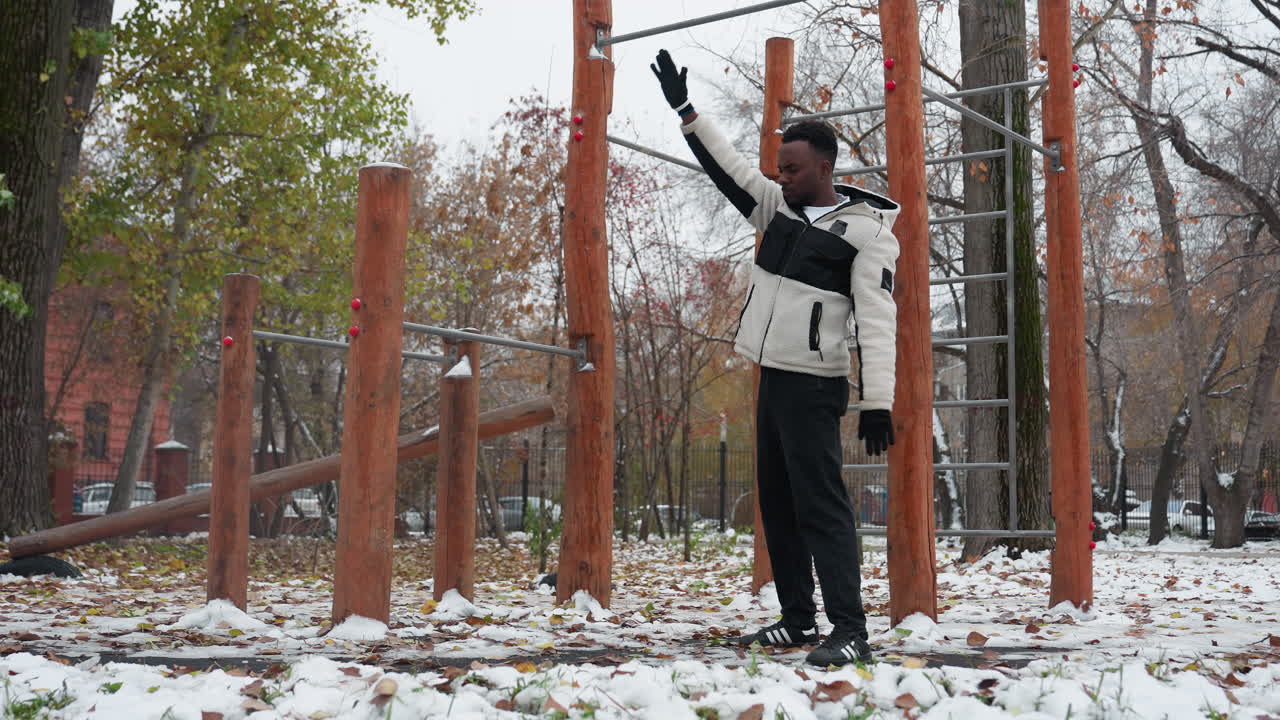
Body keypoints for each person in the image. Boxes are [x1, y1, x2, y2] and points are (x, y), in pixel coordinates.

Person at [652, 50, 899, 666]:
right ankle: (797, 617)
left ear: (823, 166)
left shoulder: (867, 233)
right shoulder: (777, 207)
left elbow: (876, 320)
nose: (781, 176)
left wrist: (878, 401)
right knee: (778, 502)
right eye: (779, 168)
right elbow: (727, 167)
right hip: (773, 378)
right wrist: (687, 111)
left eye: (791, 168)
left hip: (816, 387)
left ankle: (851, 629)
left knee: (822, 505)